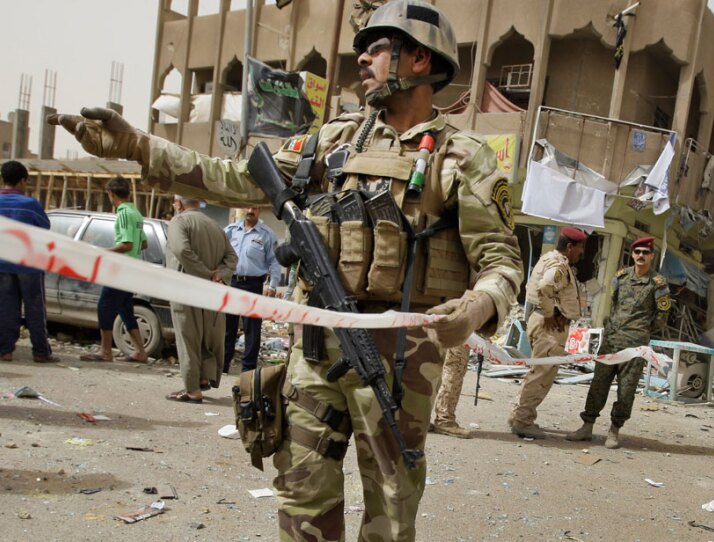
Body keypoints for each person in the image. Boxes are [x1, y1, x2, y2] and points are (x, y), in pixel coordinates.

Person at [51, 1, 523, 538]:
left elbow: (502, 260)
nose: (362, 60)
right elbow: (229, 177)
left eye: (377, 49)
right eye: (362, 49)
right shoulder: (333, 140)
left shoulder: (463, 156)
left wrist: (476, 309)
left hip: (400, 359)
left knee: (390, 511)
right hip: (315, 347)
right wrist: (137, 145)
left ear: (419, 59)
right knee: (301, 495)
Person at [567, 236, 670, 449]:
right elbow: (614, 304)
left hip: (635, 346)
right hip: (611, 341)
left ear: (652, 256)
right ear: (632, 254)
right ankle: (587, 426)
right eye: (637, 252)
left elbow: (662, 317)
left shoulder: (658, 284)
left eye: (645, 252)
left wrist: (641, 331)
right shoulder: (620, 278)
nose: (641, 256)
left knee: (626, 389)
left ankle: (614, 430)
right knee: (598, 385)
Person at [508, 226, 588, 438]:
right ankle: (523, 421)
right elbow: (545, 287)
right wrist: (551, 313)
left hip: (541, 321)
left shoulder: (549, 258)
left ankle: (518, 414)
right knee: (542, 375)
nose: (582, 253)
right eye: (580, 248)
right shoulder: (558, 265)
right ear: (569, 247)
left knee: (536, 372)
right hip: (548, 327)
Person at [164, 197, 237, 403]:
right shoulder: (215, 225)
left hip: (186, 289)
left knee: (188, 339)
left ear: (178, 204)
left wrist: (204, 274)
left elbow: (182, 250)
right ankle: (204, 378)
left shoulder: (179, 222)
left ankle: (192, 389)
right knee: (207, 338)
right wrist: (219, 274)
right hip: (212, 292)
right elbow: (232, 257)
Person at [0, 160, 57, 363]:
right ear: (23, 180)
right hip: (29, 264)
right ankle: (41, 352)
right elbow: (44, 227)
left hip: (2, 262)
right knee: (35, 308)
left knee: (5, 308)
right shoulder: (30, 204)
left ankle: (5, 350)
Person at [79, 176, 149, 363]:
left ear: (111, 194)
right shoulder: (136, 213)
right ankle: (140, 351)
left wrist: (101, 251)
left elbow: (126, 244)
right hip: (131, 268)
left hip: (121, 269)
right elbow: (143, 244)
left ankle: (105, 351)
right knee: (125, 309)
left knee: (105, 307)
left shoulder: (124, 213)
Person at [223, 206, 282, 373]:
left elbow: (274, 262)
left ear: (259, 211)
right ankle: (223, 365)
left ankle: (248, 369)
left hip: (253, 285)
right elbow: (219, 253)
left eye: (254, 208)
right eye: (248, 207)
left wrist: (272, 285)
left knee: (252, 329)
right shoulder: (230, 230)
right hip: (232, 283)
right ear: (243, 210)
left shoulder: (267, 234)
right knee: (228, 327)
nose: (250, 210)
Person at [429, 345, 476, 438]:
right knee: (456, 365)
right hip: (458, 331)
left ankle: (421, 418)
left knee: (430, 364)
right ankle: (445, 420)